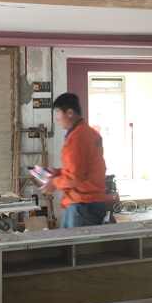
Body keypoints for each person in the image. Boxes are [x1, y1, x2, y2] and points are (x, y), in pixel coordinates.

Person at [40, 92, 108, 228]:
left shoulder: (77, 137)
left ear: (70, 113)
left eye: (58, 112)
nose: (56, 119)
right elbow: (82, 169)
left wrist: (53, 183)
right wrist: (59, 172)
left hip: (82, 206)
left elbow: (74, 178)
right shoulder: (88, 133)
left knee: (74, 242)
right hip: (88, 203)